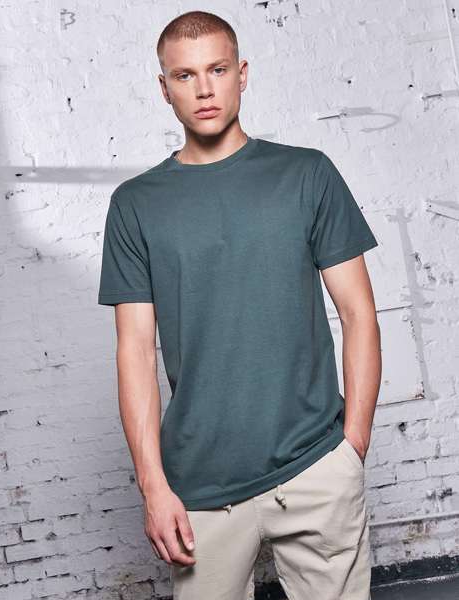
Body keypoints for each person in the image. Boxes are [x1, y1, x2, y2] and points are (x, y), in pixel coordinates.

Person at [98, 9, 381, 600]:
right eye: (185, 75)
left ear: (242, 74)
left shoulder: (306, 174)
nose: (204, 89)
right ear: (164, 88)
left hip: (315, 466)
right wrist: (153, 487)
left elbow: (358, 314)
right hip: (199, 488)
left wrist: (351, 447)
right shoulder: (135, 205)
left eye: (218, 70)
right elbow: (135, 352)